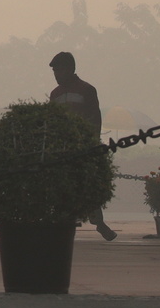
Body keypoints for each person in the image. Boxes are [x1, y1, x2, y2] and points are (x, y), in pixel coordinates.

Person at [48, 51, 117, 241]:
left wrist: (92, 143)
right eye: (54, 71)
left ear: (70, 69)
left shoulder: (87, 90)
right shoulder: (55, 94)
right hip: (62, 149)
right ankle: (64, 224)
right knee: (63, 187)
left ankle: (99, 223)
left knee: (87, 187)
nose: (56, 75)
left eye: (59, 70)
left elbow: (95, 118)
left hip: (83, 146)